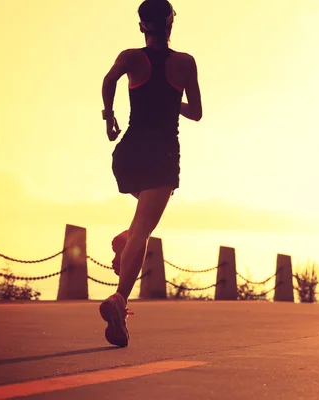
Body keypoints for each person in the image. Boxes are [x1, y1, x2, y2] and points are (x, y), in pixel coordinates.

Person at [99, 0, 202, 347]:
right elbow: (197, 112)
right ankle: (119, 300)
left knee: (142, 219)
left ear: (142, 26)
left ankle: (126, 242)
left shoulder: (131, 58)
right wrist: (173, 102)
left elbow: (109, 80)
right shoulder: (185, 64)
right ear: (172, 24)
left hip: (128, 152)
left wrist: (108, 115)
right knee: (145, 227)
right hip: (162, 155)